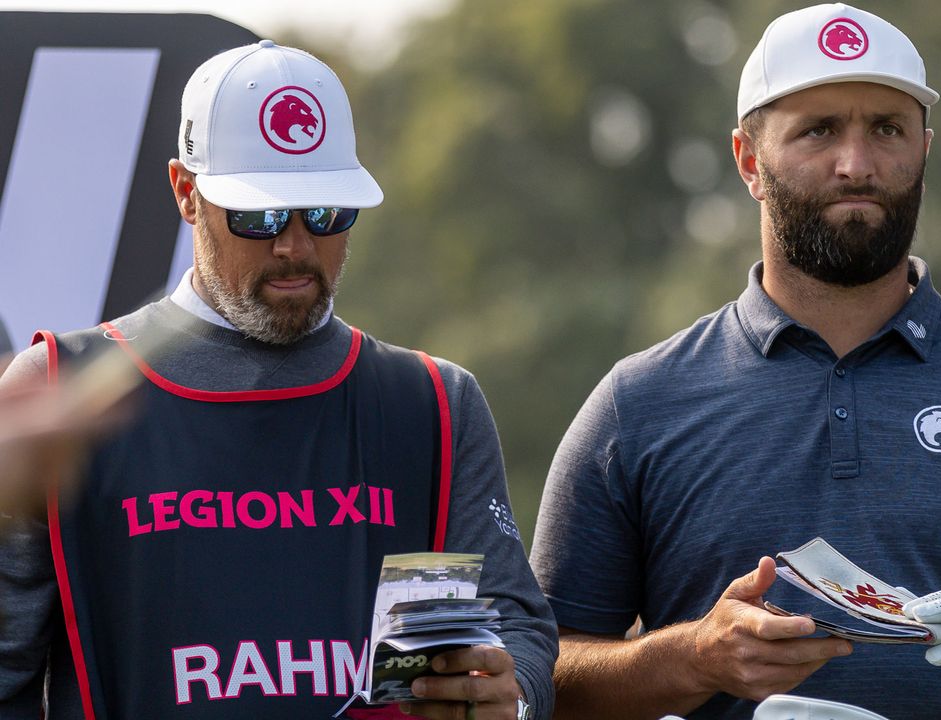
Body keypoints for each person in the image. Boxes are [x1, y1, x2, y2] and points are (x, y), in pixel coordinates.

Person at [529, 4, 941, 719]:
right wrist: (691, 658)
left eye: (887, 129)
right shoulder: (639, 402)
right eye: (818, 129)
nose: (856, 164)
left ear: (925, 148)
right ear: (748, 160)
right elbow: (542, 671)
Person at [0, 41, 552, 720]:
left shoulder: (431, 404)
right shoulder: (65, 390)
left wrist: (510, 695)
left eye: (325, 215)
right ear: (185, 193)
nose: (294, 246)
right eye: (258, 217)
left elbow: (511, 629)